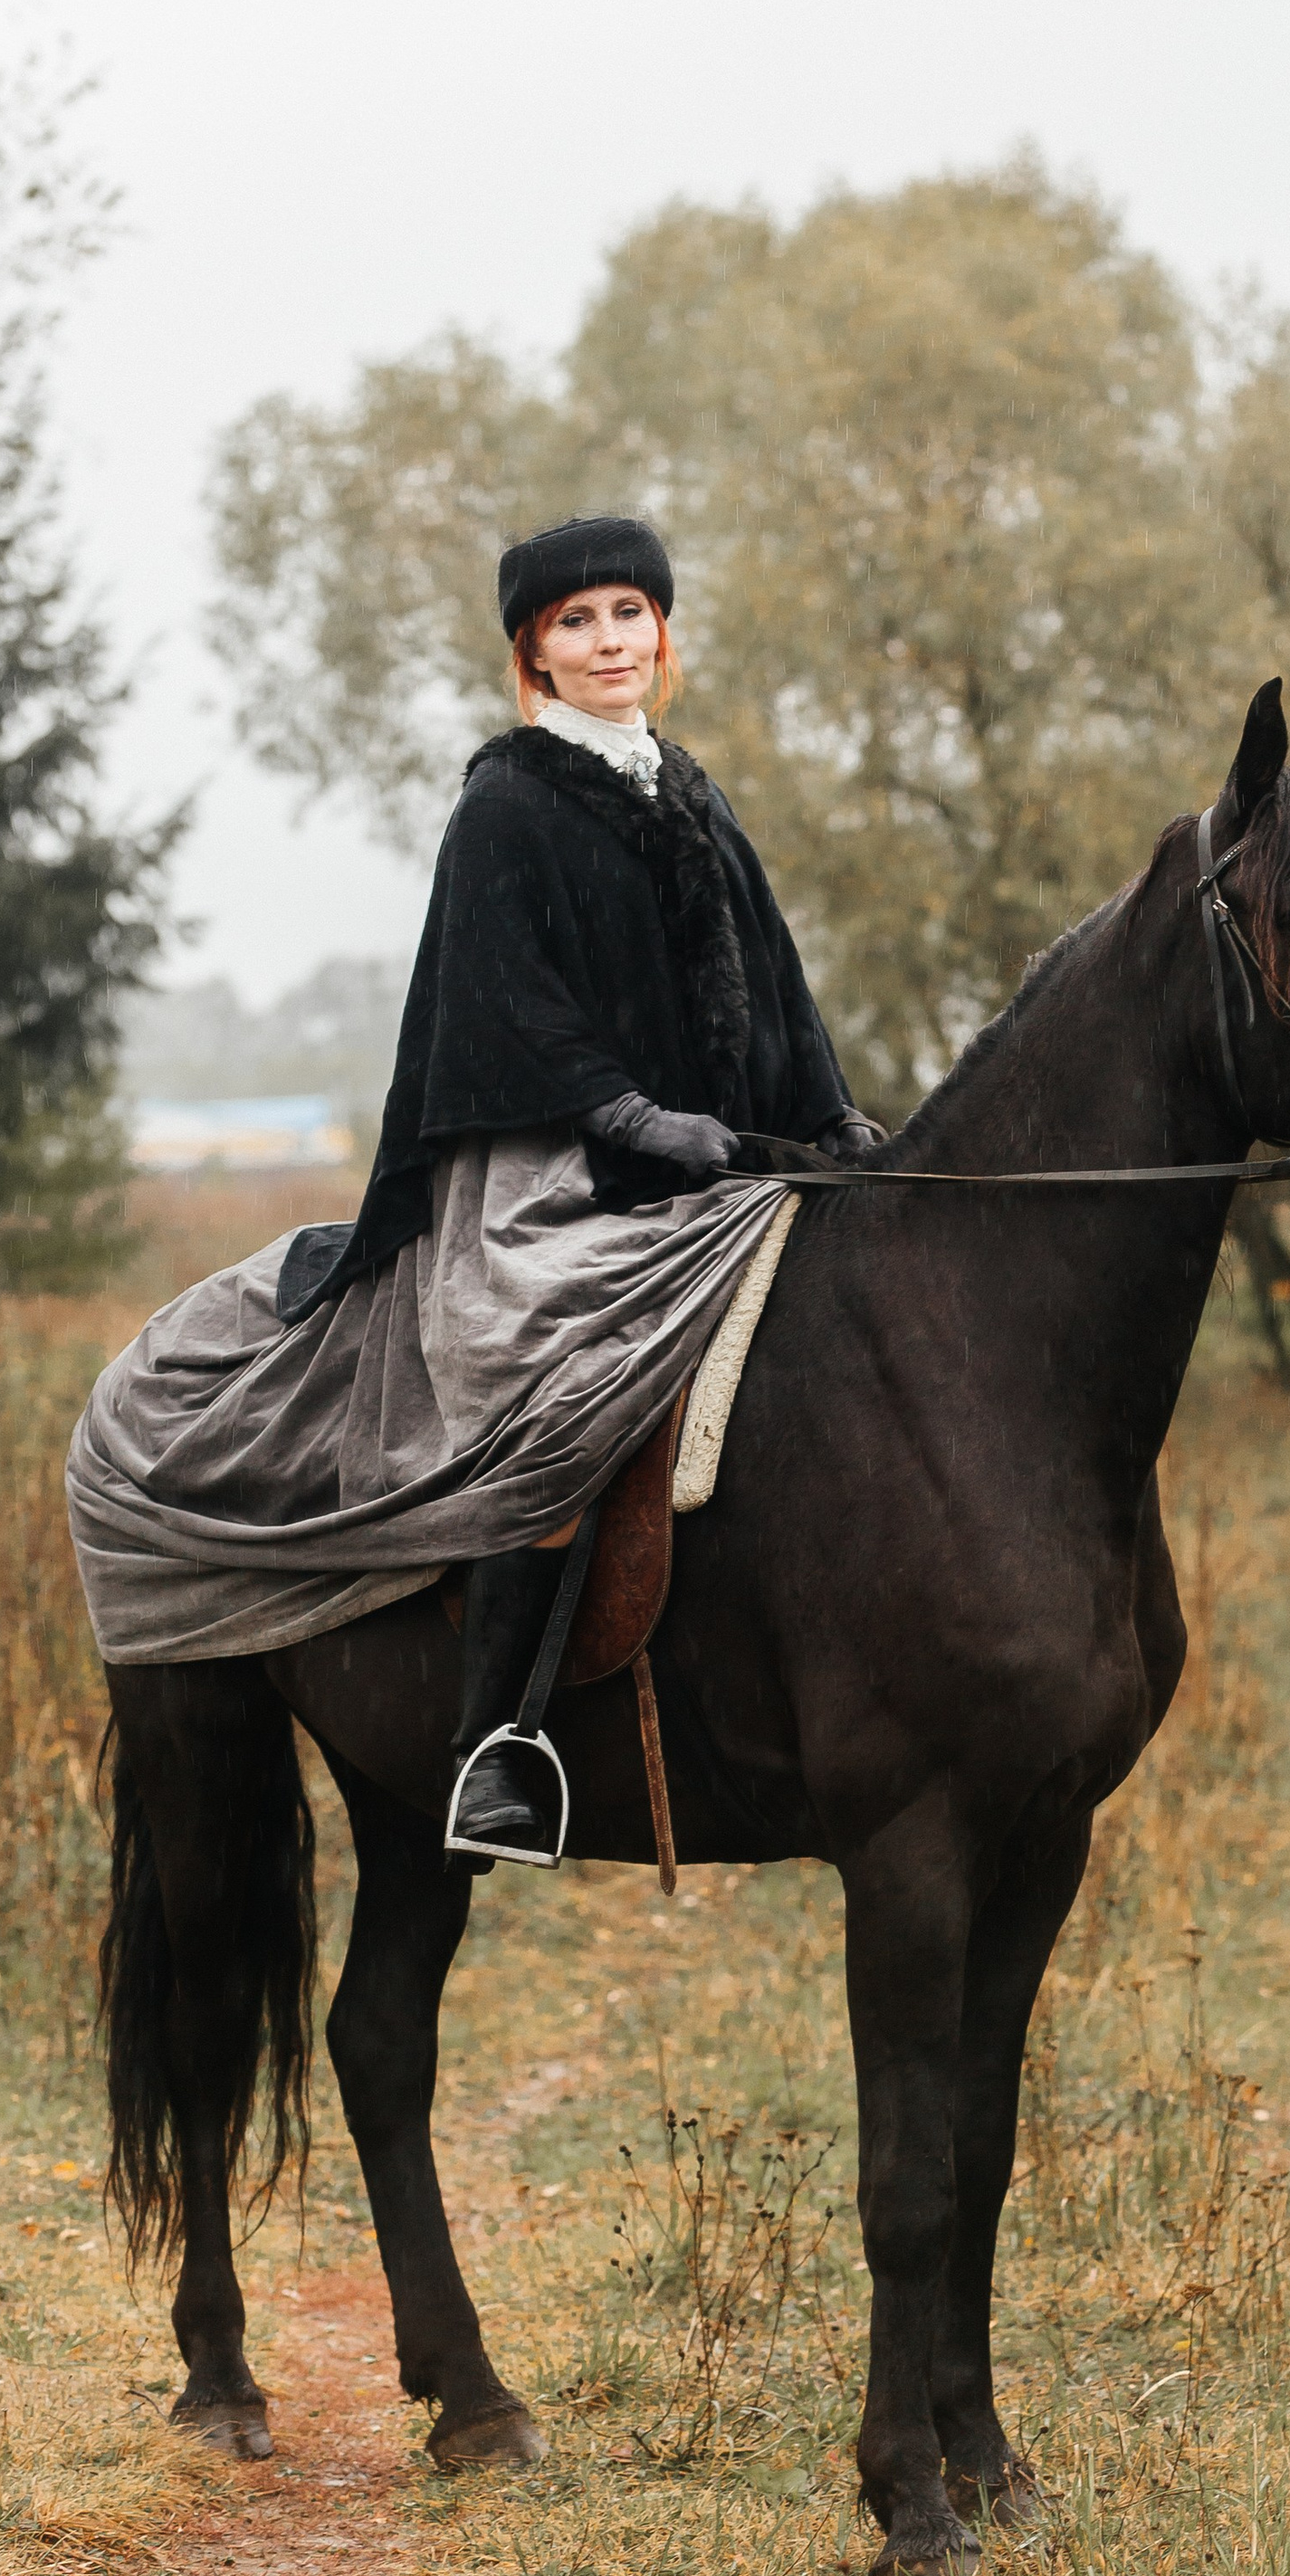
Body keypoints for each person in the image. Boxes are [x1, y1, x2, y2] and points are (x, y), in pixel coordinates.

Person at [272, 511, 877, 1866]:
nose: (609, 642)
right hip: (553, 1173)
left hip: (702, 1162)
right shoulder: (507, 802)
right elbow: (497, 1002)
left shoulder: (689, 789)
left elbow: (766, 973)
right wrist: (631, 1115)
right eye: (576, 622)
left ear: (662, 633)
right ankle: (503, 1740)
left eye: (629, 615)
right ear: (533, 654)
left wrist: (825, 1112)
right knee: (564, 1383)